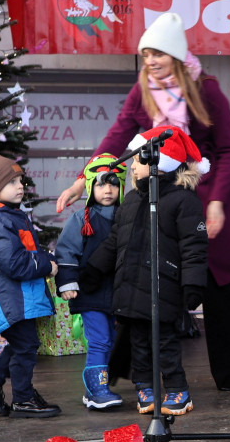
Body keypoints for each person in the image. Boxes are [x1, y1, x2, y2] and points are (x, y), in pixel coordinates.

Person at [55, 12, 230, 391]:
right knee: (143, 280)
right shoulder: (143, 89)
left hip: (204, 192)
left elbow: (228, 150)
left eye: (158, 54)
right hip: (156, 195)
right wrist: (81, 180)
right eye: (145, 54)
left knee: (220, 280)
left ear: (177, 56)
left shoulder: (207, 90)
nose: (150, 61)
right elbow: (117, 136)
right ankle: (135, 374)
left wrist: (217, 201)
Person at [83, 126, 209, 415]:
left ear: (158, 164)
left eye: (138, 161)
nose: (132, 166)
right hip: (130, 287)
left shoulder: (183, 200)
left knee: (165, 343)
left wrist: (193, 285)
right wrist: (94, 268)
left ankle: (178, 390)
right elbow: (116, 240)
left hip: (162, 287)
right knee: (138, 342)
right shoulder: (132, 200)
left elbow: (194, 246)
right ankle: (145, 388)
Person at [0, 154, 61, 418]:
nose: (20, 186)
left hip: (16, 298)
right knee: (26, 345)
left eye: (20, 180)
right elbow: (15, 263)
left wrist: (43, 260)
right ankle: (23, 398)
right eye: (11, 182)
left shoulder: (7, 215)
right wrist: (46, 264)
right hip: (9, 298)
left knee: (24, 344)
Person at [55, 153, 127, 409]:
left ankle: (100, 384)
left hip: (119, 293)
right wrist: (67, 283)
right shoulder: (80, 220)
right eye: (100, 183)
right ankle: (96, 390)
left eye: (113, 183)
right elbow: (66, 253)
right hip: (90, 292)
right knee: (99, 339)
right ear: (89, 187)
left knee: (113, 339)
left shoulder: (128, 217)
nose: (107, 190)